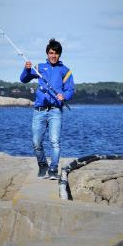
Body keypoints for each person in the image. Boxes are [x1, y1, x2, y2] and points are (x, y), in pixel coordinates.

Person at [20, 38, 75, 179]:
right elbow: (23, 79)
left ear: (59, 54)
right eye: (51, 53)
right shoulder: (39, 68)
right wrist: (26, 69)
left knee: (55, 141)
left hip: (55, 111)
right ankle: (43, 165)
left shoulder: (65, 71)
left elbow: (70, 89)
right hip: (39, 111)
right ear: (47, 53)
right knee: (36, 142)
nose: (53, 55)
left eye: (56, 53)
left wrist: (65, 96)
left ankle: (53, 169)